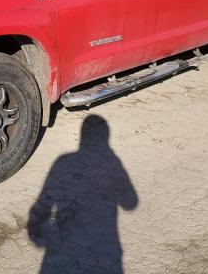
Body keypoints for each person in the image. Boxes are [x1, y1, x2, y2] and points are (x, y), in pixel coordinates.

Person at [28, 115, 138, 273]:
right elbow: (130, 203)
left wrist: (38, 233)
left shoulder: (62, 161)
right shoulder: (112, 162)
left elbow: (44, 202)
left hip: (62, 252)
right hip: (103, 251)